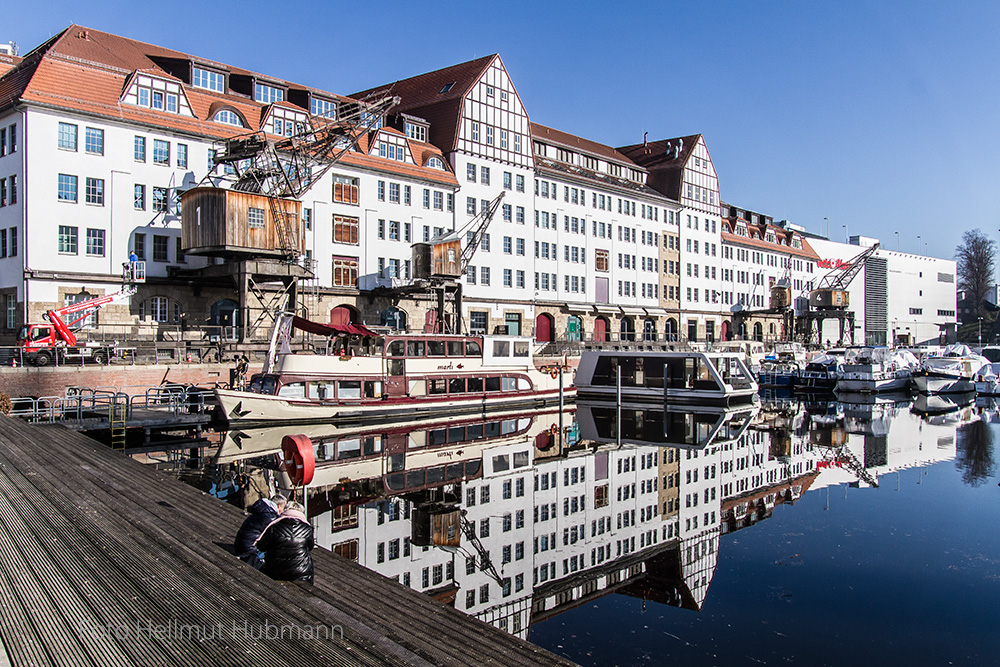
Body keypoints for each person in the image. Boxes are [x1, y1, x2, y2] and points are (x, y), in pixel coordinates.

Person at [255, 500, 315, 584]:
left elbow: (261, 546)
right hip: (301, 573)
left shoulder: (273, 527)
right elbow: (310, 547)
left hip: (275, 572)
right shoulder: (307, 529)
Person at [234, 494, 286, 568]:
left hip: (240, 546)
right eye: (283, 508)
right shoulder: (270, 517)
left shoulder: (262, 511)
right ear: (279, 506)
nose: (283, 511)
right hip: (249, 550)